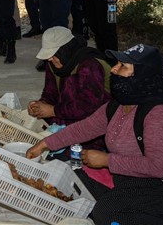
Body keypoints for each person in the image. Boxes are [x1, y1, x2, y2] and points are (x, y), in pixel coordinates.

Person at [27, 44, 163, 224]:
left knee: (105, 212)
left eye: (123, 66)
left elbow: (158, 166)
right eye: (117, 64)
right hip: (133, 178)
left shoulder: (161, 113)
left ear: (142, 74)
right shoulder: (120, 104)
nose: (113, 70)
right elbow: (84, 128)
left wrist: (107, 160)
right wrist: (44, 144)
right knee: (77, 178)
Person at [27, 26, 112, 154]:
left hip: (94, 126)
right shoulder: (54, 64)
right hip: (66, 118)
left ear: (65, 50)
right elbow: (50, 93)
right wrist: (40, 105)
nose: (49, 59)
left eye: (53, 54)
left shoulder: (90, 65)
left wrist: (53, 111)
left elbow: (89, 106)